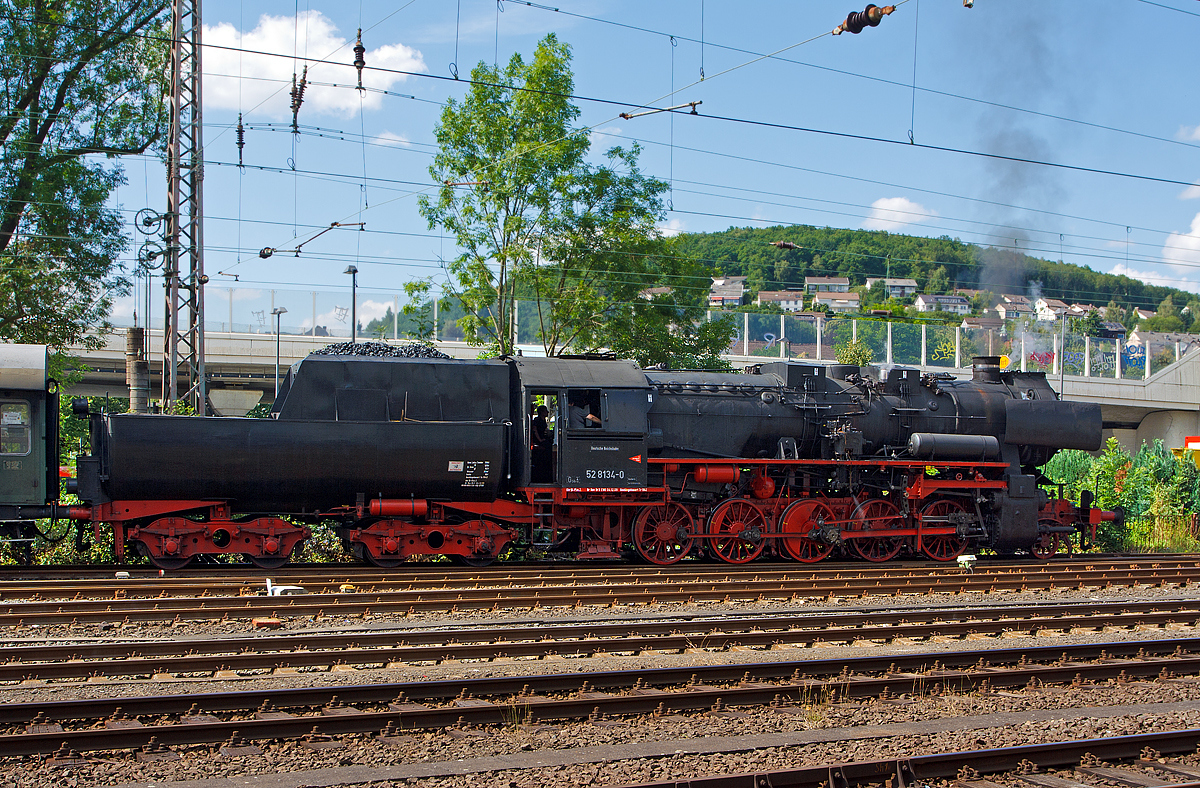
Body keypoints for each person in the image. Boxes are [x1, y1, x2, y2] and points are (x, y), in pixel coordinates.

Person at [530, 405, 553, 482]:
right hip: (538, 441)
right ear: (542, 412)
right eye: (546, 411)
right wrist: (540, 440)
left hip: (543, 439)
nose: (548, 412)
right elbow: (535, 430)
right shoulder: (537, 420)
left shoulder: (544, 420)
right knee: (548, 447)